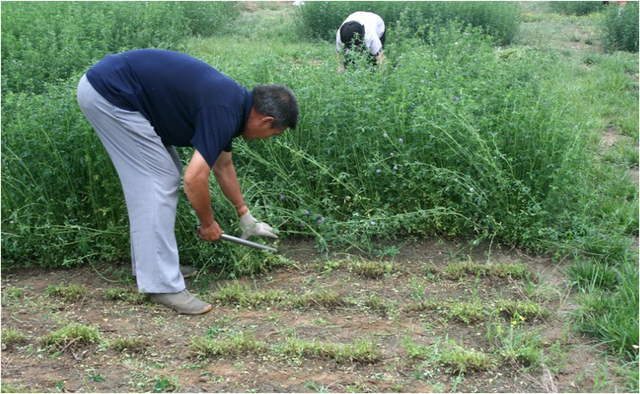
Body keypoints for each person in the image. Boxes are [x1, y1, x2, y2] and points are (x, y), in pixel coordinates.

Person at [77, 49, 298, 315]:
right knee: (159, 178)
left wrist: (246, 218)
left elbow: (223, 166)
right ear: (267, 120)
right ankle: (162, 285)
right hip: (110, 93)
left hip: (116, 90)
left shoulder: (233, 105)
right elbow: (193, 180)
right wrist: (208, 224)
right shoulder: (223, 109)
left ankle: (155, 268)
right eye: (275, 133)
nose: (269, 138)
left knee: (163, 172)